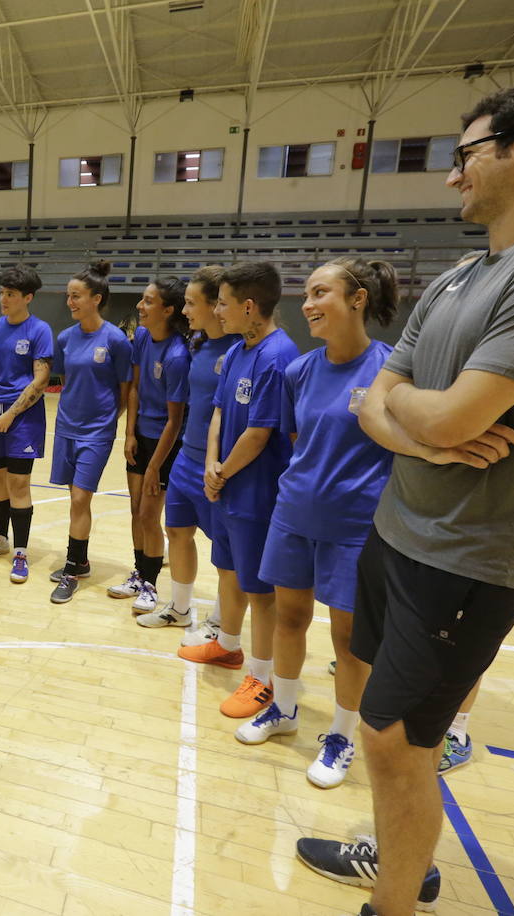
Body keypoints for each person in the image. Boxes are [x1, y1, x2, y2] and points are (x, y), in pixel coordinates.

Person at [295, 75, 514, 916]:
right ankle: (399, 858)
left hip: (470, 557)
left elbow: (440, 411)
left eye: (464, 156)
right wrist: (422, 429)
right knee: (384, 726)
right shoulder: (454, 280)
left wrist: (416, 417)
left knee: (396, 740)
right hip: (398, 530)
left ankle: (394, 904)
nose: (452, 177)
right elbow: (376, 403)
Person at [234, 257, 399, 793]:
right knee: (289, 616)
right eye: (305, 294)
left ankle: (342, 735)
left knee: (350, 640)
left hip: (356, 526)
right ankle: (282, 708)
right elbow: (297, 443)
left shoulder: (390, 368)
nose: (308, 304)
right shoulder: (299, 371)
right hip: (294, 514)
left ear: (358, 299)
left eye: (320, 293)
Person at [184, 262, 300, 721]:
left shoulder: (278, 355)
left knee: (261, 591)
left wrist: (222, 472)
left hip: (255, 492)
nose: (217, 310)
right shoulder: (236, 351)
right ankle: (228, 647)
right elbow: (217, 413)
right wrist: (212, 465)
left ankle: (263, 677)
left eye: (224, 303)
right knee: (228, 571)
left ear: (249, 307)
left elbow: (260, 432)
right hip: (228, 484)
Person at [156, 266, 243, 635]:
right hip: (186, 458)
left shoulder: (240, 349)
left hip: (218, 466)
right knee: (176, 531)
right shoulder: (199, 345)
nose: (185, 311)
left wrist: (223, 465)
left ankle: (222, 621)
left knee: (226, 551)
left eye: (192, 303)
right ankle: (179, 608)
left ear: (215, 305)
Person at [48, 261, 133, 604]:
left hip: (97, 433)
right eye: (68, 296)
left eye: (77, 296)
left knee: (82, 498)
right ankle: (81, 561)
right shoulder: (66, 338)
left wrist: (110, 421)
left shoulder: (115, 339)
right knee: (75, 499)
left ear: (96, 298)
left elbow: (126, 390)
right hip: (66, 427)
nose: (70, 301)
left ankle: (71, 568)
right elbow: (66, 382)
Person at [113, 277, 191, 618]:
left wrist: (156, 465)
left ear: (168, 310)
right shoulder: (143, 336)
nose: (139, 307)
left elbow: (175, 421)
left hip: (164, 444)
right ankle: (139, 573)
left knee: (148, 515)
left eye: (147, 301)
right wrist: (128, 434)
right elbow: (134, 388)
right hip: (140, 436)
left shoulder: (177, 356)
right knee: (136, 512)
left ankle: (151, 585)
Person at [0, 265, 53, 584]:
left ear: (28, 298)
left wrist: (11, 414)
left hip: (23, 417)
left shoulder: (39, 330)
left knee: (19, 484)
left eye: (11, 294)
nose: (3, 299)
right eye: (2, 293)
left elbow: (41, 378)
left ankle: (20, 552)